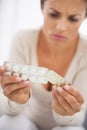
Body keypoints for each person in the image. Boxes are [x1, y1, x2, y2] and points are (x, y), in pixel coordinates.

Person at [0, 0, 87, 130]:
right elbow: (5, 109)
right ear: (42, 8)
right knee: (8, 122)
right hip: (26, 121)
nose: (61, 27)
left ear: (84, 17)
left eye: (73, 19)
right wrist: (15, 101)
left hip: (64, 126)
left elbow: (78, 117)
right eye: (53, 14)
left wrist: (67, 114)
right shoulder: (22, 40)